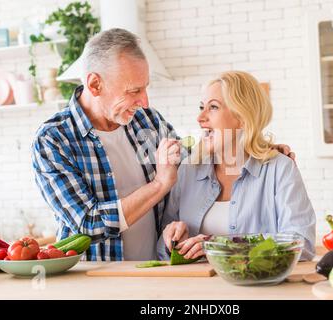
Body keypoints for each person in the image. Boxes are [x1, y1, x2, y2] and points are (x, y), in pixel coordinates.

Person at [31, 28, 296, 261]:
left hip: (154, 270)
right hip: (96, 279)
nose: (144, 101)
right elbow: (88, 224)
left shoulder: (146, 121)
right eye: (134, 91)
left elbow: (196, 160)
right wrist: (159, 185)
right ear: (95, 83)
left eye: (145, 88)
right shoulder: (54, 140)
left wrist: (258, 148)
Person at [158, 71, 316, 262]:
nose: (200, 118)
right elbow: (161, 250)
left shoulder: (279, 169)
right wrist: (173, 241)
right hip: (196, 289)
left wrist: (222, 247)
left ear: (242, 117)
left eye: (213, 107)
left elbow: (301, 243)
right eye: (201, 107)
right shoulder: (187, 171)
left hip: (256, 289)